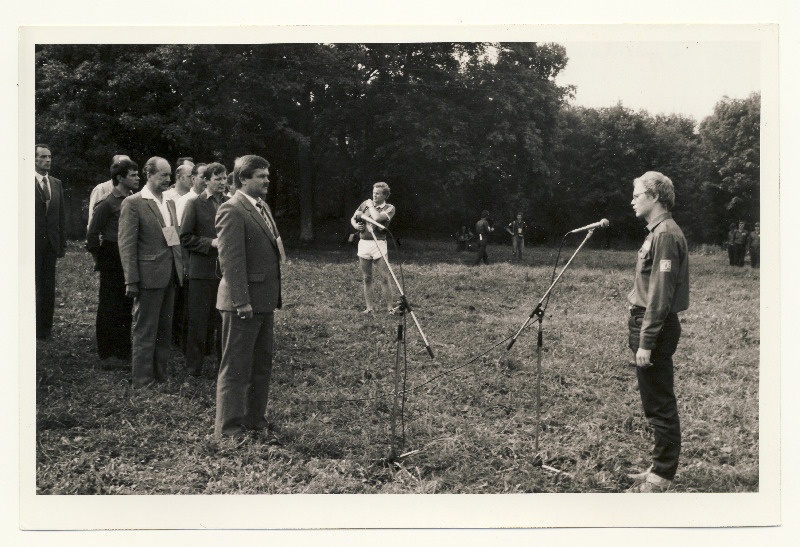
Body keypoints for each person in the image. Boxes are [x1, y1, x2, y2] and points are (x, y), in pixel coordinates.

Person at [626, 171, 689, 493]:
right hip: (648, 323)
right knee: (655, 401)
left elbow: (660, 295)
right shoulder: (659, 231)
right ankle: (657, 467)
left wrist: (646, 341)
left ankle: (662, 475)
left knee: (659, 403)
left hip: (654, 327)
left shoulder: (664, 234)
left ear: (654, 196)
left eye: (637, 194)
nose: (633, 200)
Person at [214, 155, 283, 437]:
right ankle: (228, 429)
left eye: (267, 176)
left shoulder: (261, 206)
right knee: (236, 367)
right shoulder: (232, 209)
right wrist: (242, 301)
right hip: (242, 303)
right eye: (261, 176)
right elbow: (230, 261)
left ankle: (255, 419)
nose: (267, 180)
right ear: (243, 178)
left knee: (260, 364)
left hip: (264, 300)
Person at [118, 157, 184, 388]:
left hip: (170, 275)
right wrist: (131, 280)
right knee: (145, 329)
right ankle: (142, 380)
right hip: (148, 276)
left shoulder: (170, 202)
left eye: (169, 175)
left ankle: (160, 374)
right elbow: (126, 245)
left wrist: (179, 268)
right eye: (163, 175)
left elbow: (173, 237)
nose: (168, 179)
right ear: (149, 175)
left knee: (164, 329)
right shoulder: (134, 203)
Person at [86, 158, 139, 369]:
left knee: (126, 303)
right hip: (111, 254)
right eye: (133, 175)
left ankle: (123, 350)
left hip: (128, 254)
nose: (137, 178)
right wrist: (101, 257)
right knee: (109, 304)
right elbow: (92, 234)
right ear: (120, 178)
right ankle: (107, 353)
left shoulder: (134, 200)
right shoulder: (107, 203)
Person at [179, 162, 228, 377]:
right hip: (201, 272)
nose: (222, 183)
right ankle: (193, 367)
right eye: (217, 179)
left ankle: (222, 367)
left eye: (225, 178)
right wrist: (211, 243)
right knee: (198, 320)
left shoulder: (230, 203)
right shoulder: (194, 204)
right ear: (206, 181)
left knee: (223, 321)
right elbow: (185, 238)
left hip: (226, 272)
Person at [34, 143, 66, 340]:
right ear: (34, 160)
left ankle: (43, 330)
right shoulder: (21, 182)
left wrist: (61, 243)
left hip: (50, 245)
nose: (47, 160)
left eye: (49, 157)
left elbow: (61, 215)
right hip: (30, 246)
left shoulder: (56, 183)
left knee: (47, 288)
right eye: (43, 157)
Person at [350, 182, 396, 313]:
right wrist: (355, 226)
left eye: (377, 193)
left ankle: (390, 308)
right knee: (367, 277)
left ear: (385, 195)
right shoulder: (364, 204)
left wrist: (370, 206)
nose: (374, 195)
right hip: (364, 243)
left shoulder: (389, 208)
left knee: (384, 277)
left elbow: (377, 217)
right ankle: (369, 307)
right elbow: (353, 218)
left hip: (379, 244)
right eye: (373, 192)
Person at [87, 154, 131, 230]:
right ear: (113, 169)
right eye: (123, 166)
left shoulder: (129, 191)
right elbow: (93, 222)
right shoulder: (101, 189)